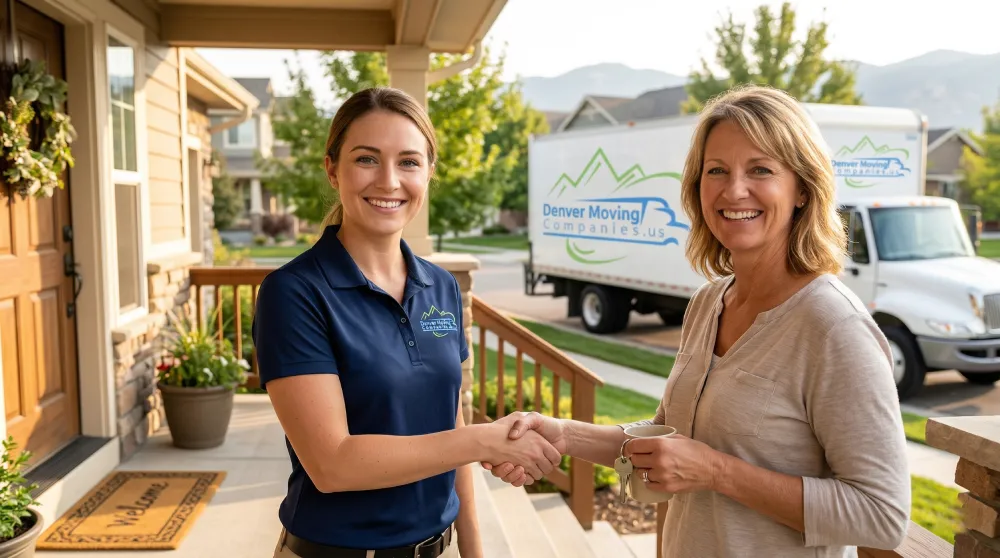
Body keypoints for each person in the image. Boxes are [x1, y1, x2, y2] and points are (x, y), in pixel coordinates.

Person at [483, 84, 911, 557]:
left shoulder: (833, 327)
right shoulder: (709, 302)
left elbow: (882, 515)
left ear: (803, 190)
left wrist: (717, 472)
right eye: (717, 171)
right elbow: (668, 439)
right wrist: (565, 434)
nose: (734, 190)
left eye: (761, 169)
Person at [253, 86, 562, 558]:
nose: (389, 181)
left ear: (429, 172)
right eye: (367, 159)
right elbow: (332, 465)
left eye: (409, 162)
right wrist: (483, 440)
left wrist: (474, 549)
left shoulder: (440, 287)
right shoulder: (294, 293)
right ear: (332, 168)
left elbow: (449, 415)